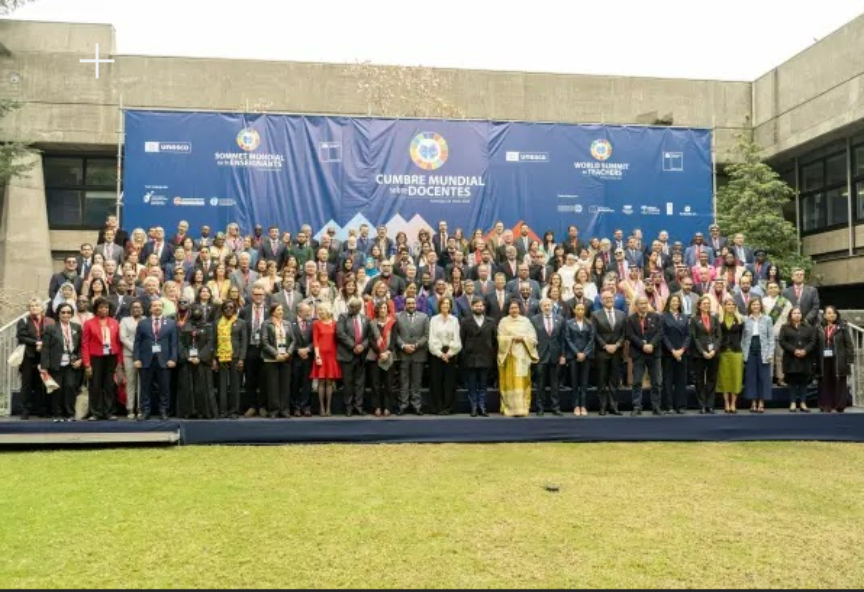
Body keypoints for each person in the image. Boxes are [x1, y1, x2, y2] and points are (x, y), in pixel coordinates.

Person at [133, 298, 177, 421]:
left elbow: (173, 343)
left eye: (159, 306)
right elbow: (137, 342)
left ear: (162, 308)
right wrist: (136, 358)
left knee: (164, 387)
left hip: (164, 360)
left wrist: (173, 358)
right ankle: (145, 411)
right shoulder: (142, 323)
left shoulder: (170, 323)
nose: (157, 308)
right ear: (150, 308)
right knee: (145, 387)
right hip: (146, 360)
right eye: (155, 306)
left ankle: (164, 411)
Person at [39, 303, 82, 422]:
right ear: (58, 314)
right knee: (57, 389)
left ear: (72, 314)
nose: (66, 314)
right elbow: (45, 348)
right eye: (63, 312)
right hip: (55, 363)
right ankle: (57, 414)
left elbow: (81, 347)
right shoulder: (51, 328)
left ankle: (70, 414)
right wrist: (44, 367)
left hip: (72, 363)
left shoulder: (77, 327)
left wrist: (80, 359)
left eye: (68, 312)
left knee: (70, 387)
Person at [82, 297, 123, 421]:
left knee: (110, 385)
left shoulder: (115, 322)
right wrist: (87, 363)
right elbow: (85, 344)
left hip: (111, 357)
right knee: (95, 385)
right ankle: (96, 412)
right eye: (101, 307)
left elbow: (119, 343)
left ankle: (109, 412)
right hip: (95, 357)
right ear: (96, 309)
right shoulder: (88, 323)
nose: (103, 309)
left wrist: (120, 362)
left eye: (106, 307)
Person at [497, 300, 539, 417]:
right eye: (511, 308)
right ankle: (509, 408)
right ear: (508, 309)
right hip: (509, 356)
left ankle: (522, 408)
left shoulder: (526, 321)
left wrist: (524, 338)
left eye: (516, 308)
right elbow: (500, 338)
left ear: (519, 309)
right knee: (509, 382)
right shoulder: (503, 322)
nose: (514, 310)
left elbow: (533, 338)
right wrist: (511, 338)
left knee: (522, 382)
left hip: (522, 357)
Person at [16, 298, 55, 419]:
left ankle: (42, 410)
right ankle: (25, 410)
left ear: (42, 308)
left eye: (36, 305)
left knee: (42, 383)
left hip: (43, 356)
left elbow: (53, 336)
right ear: (29, 308)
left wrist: (43, 344)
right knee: (27, 383)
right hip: (28, 356)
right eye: (31, 306)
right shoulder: (23, 321)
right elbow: (21, 337)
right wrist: (36, 343)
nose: (34, 307)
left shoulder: (49, 321)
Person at [177, 304, 217, 419]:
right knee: (187, 387)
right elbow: (179, 344)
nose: (196, 312)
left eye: (199, 310)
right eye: (194, 310)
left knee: (203, 388)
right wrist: (187, 357)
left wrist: (199, 357)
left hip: (202, 363)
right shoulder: (184, 326)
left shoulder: (208, 326)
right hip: (187, 362)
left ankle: (204, 412)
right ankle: (188, 412)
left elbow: (211, 343)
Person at [626, 296, 664, 416]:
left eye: (645, 303)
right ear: (636, 305)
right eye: (641, 303)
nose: (643, 305)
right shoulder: (631, 319)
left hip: (654, 353)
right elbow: (630, 335)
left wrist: (651, 344)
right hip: (638, 353)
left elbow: (660, 333)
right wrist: (642, 346)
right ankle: (637, 406)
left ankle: (656, 407)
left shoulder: (656, 317)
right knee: (637, 381)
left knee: (656, 382)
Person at [460, 297, 496, 417]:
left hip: (486, 357)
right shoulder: (465, 321)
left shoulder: (491, 321)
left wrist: (491, 352)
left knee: (483, 385)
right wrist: (465, 353)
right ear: (472, 307)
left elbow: (495, 340)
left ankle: (482, 406)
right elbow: (462, 339)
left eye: (481, 306)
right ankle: (474, 407)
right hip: (471, 357)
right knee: (471, 385)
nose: (479, 308)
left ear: (484, 307)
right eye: (476, 306)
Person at [593, 289, 626, 416]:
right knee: (601, 382)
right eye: (606, 298)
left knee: (614, 382)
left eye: (610, 298)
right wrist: (605, 345)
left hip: (617, 353)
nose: (608, 300)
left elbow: (624, 333)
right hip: (602, 352)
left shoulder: (621, 314)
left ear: (614, 299)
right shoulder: (596, 314)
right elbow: (595, 333)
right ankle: (602, 407)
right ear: (601, 301)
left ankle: (614, 407)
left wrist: (617, 345)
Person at [212, 300, 247, 419]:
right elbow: (214, 342)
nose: (228, 309)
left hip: (235, 356)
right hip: (220, 356)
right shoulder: (217, 323)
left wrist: (242, 358)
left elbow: (244, 342)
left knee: (235, 385)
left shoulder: (241, 323)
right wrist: (214, 358)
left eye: (231, 308)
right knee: (221, 385)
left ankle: (234, 411)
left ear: (235, 309)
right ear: (222, 310)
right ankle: (223, 411)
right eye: (226, 308)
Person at [530, 298, 566, 416]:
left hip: (556, 356)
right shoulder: (534, 320)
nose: (547, 307)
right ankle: (540, 408)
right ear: (541, 307)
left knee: (555, 384)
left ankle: (555, 407)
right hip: (540, 356)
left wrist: (563, 355)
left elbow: (563, 339)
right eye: (544, 306)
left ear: (552, 306)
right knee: (540, 384)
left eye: (549, 305)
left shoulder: (560, 319)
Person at [395, 296, 429, 415]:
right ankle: (403, 405)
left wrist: (416, 345)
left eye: (413, 303)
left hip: (418, 353)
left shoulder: (424, 317)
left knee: (416, 382)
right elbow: (395, 335)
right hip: (403, 353)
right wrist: (404, 346)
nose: (411, 305)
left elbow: (426, 335)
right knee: (403, 381)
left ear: (416, 304)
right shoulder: (397, 316)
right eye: (408, 303)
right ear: (405, 304)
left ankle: (416, 406)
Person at [336, 297, 370, 416]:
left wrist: (363, 346)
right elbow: (340, 334)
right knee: (348, 383)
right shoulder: (343, 317)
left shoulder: (366, 319)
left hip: (361, 355)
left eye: (352, 307)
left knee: (360, 383)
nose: (350, 309)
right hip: (347, 354)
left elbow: (369, 337)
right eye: (349, 306)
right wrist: (354, 346)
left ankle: (358, 406)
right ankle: (348, 407)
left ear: (359, 308)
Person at [779, 306, 817, 413]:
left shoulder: (809, 327)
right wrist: (794, 350)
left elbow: (813, 342)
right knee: (792, 381)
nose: (797, 315)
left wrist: (805, 350)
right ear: (790, 315)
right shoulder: (785, 327)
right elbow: (782, 341)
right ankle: (792, 402)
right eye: (794, 313)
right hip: (791, 358)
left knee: (803, 381)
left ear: (802, 315)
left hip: (805, 358)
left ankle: (803, 403)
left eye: (799, 313)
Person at [428, 296, 462, 415]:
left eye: (448, 304)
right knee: (436, 381)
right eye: (443, 304)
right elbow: (432, 338)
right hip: (436, 353)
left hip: (450, 353)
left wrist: (449, 353)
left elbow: (457, 339)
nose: (445, 306)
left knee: (449, 382)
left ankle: (448, 407)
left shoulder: (454, 320)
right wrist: (440, 353)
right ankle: (437, 407)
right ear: (439, 305)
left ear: (451, 306)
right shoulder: (433, 319)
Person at [239, 284, 269, 417]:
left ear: (264, 296)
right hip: (250, 348)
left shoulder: (269, 310)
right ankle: (252, 406)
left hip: (265, 349)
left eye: (260, 295)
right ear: (252, 296)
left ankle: (262, 406)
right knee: (250, 379)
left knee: (264, 379)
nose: (258, 297)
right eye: (256, 294)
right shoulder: (244, 310)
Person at [817, 306, 854, 413]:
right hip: (824, 359)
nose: (831, 315)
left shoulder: (842, 327)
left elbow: (849, 344)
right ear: (824, 315)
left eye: (833, 313)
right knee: (825, 381)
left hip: (839, 359)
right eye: (828, 313)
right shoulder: (819, 327)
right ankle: (825, 405)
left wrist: (849, 359)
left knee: (840, 382)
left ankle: (840, 405)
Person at [261, 302, 295, 418]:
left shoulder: (288, 324)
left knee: (285, 385)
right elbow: (264, 342)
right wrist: (276, 354)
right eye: (278, 310)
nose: (281, 312)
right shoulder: (266, 324)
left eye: (282, 310)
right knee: (273, 386)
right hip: (271, 359)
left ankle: (285, 410)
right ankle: (274, 410)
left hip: (286, 358)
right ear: (272, 312)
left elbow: (293, 341)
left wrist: (288, 353)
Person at [690, 295, 721, 415]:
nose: (706, 305)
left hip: (714, 353)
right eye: (704, 304)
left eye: (708, 303)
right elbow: (695, 337)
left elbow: (719, 336)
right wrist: (703, 351)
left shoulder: (714, 319)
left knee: (712, 380)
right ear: (699, 305)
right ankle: (702, 405)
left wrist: (714, 350)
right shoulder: (694, 319)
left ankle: (710, 405)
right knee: (699, 380)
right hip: (699, 354)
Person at [564, 301, 594, 417]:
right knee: (575, 382)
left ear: (585, 311)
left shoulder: (590, 323)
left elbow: (591, 340)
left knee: (584, 382)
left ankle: (583, 405)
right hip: (573, 356)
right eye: (578, 309)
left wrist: (584, 353)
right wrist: (577, 353)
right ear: (574, 310)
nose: (580, 311)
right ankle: (576, 405)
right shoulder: (569, 323)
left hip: (586, 357)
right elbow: (567, 339)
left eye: (582, 309)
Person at [662, 294, 690, 415]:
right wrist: (672, 350)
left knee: (681, 380)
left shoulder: (684, 317)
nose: (675, 303)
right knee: (667, 380)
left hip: (682, 353)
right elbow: (662, 335)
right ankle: (669, 406)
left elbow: (689, 335)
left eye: (677, 301)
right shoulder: (663, 317)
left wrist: (682, 350)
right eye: (673, 301)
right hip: (668, 353)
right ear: (669, 302)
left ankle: (681, 406)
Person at [368, 300, 397, 417]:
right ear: (377, 310)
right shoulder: (372, 323)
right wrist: (380, 352)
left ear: (387, 310)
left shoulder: (393, 323)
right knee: (376, 384)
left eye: (385, 308)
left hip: (389, 356)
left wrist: (388, 352)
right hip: (376, 356)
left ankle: (387, 407)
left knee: (388, 384)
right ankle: (377, 407)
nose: (383, 310)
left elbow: (394, 339)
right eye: (381, 308)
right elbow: (370, 340)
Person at [716, 297, 745, 414]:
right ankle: (726, 403)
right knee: (724, 378)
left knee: (736, 377)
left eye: (733, 305)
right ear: (724, 306)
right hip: (723, 351)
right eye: (728, 305)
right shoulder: (719, 319)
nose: (731, 307)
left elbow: (742, 336)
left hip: (736, 351)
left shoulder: (740, 319)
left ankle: (733, 403)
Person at [312, 302, 341, 416]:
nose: (320, 312)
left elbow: (338, 340)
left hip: (332, 355)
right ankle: (321, 408)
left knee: (329, 382)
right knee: (321, 382)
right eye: (319, 311)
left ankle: (328, 408)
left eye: (322, 310)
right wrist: (317, 356)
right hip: (321, 355)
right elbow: (315, 341)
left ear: (328, 311)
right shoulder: (316, 324)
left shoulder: (335, 323)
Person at [762, 281, 792, 386]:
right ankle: (768, 378)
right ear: (766, 289)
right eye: (770, 287)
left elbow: (789, 318)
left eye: (775, 287)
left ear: (779, 289)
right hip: (767, 333)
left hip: (781, 332)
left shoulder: (786, 302)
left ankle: (781, 378)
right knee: (768, 357)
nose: (773, 289)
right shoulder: (762, 301)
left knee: (780, 357)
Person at [119, 300, 144, 419]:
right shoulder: (125, 320)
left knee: (142, 382)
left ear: (142, 309)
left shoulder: (146, 320)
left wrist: (141, 350)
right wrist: (136, 348)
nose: (136, 310)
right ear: (130, 309)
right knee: (130, 381)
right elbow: (123, 337)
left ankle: (140, 408)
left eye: (138, 307)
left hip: (144, 355)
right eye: (134, 307)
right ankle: (130, 408)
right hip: (129, 354)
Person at [291, 302, 315, 417]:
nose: (309, 313)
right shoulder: (290, 323)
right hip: (295, 358)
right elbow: (288, 340)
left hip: (308, 358)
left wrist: (308, 349)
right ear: (299, 312)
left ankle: (306, 407)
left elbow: (316, 339)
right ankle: (296, 407)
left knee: (307, 384)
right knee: (294, 383)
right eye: (306, 311)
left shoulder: (312, 323)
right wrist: (298, 350)